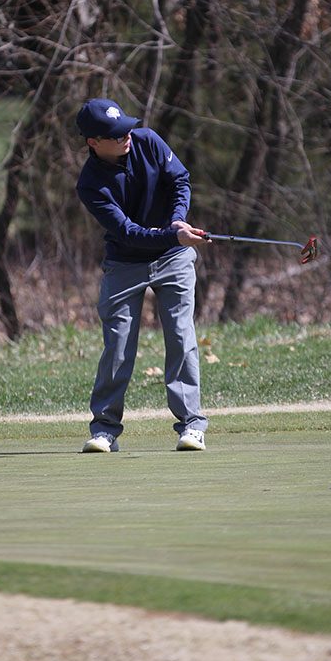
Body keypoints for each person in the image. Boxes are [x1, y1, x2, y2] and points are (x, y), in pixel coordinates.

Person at [75, 97, 209, 453]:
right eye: (116, 135)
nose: (126, 137)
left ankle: (192, 426)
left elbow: (180, 180)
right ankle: (105, 429)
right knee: (118, 346)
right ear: (93, 143)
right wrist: (171, 233)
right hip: (126, 262)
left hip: (174, 256)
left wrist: (177, 219)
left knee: (181, 336)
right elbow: (128, 232)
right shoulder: (90, 184)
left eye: (126, 129)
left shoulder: (148, 141)